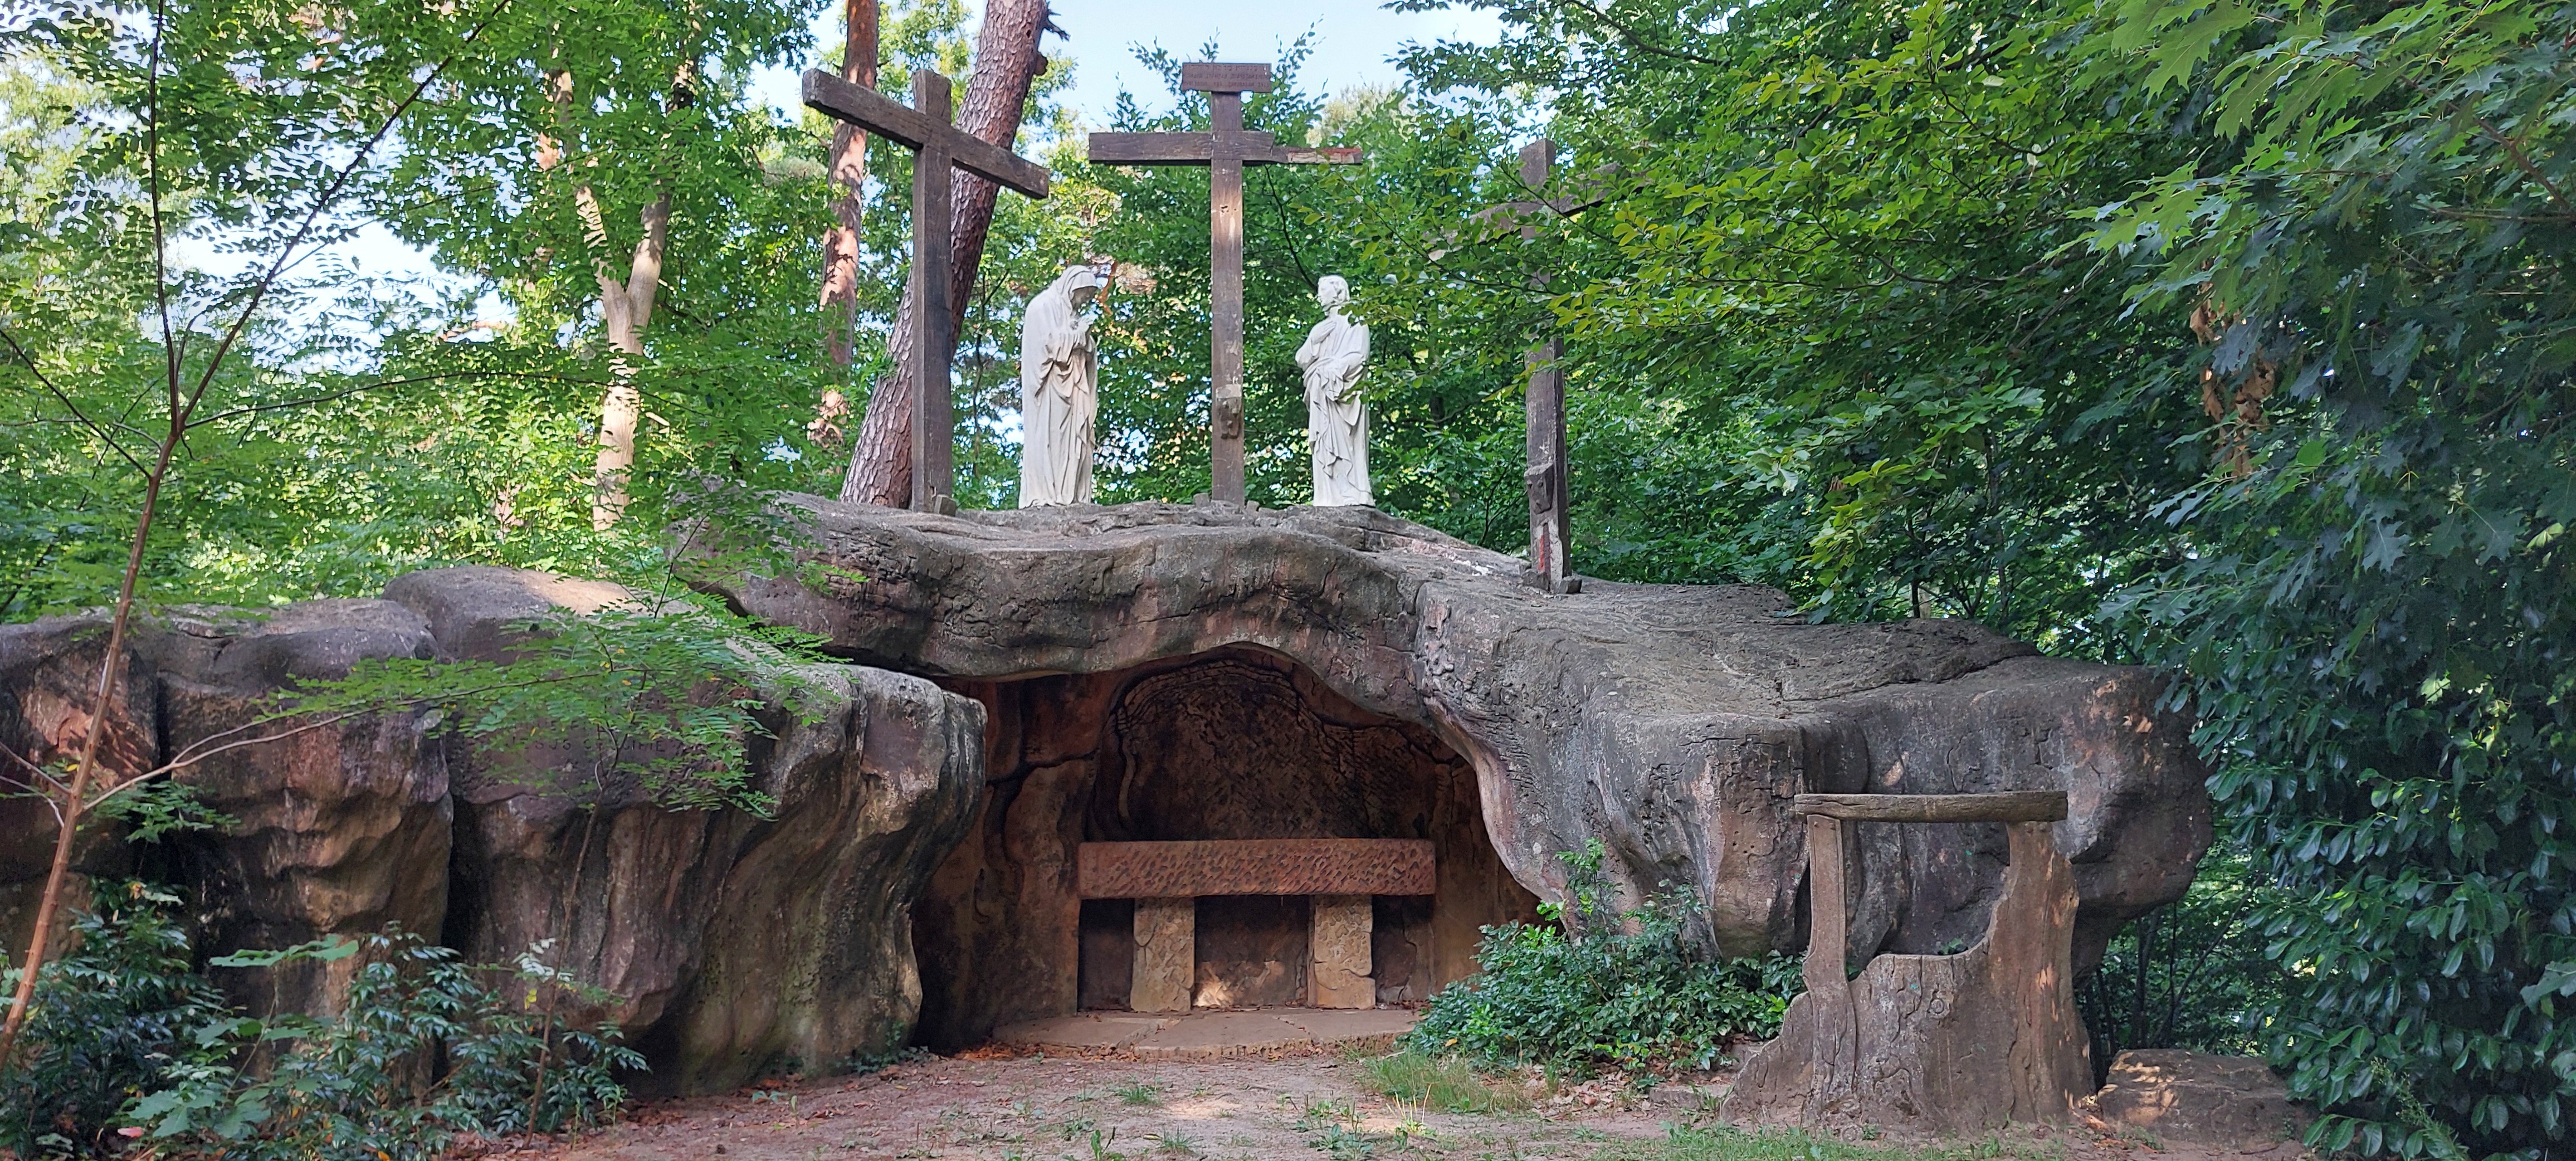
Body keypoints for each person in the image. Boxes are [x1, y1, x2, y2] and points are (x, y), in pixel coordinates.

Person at [1018, 264, 1107, 506]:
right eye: (1085, 294)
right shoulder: (1041, 307)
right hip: (1051, 392)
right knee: (1053, 439)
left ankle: (1073, 494)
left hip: (1075, 388)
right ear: (1073, 287)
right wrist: (1079, 335)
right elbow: (1050, 347)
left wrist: (1086, 342)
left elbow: (1085, 350)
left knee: (1075, 441)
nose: (1086, 300)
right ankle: (1050, 494)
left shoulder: (1071, 313)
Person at [1296, 275, 1372, 506]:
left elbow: (1360, 356)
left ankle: (1353, 491)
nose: (1319, 296)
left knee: (1347, 444)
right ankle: (1328, 496)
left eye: (1323, 291)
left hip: (1343, 393)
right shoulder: (1320, 328)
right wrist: (1313, 340)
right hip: (1321, 395)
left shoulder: (1356, 321)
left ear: (1338, 293)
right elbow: (1302, 359)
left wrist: (1334, 369)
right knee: (1324, 443)